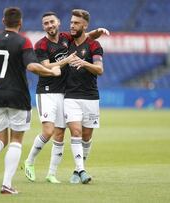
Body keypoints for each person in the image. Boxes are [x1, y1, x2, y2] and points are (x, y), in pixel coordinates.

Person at [0, 7, 61, 194]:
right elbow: (33, 66)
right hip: (18, 96)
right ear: (20, 23)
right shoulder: (23, 41)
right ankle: (6, 185)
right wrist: (51, 71)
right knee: (16, 141)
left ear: (3, 21)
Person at [24, 11, 109, 183]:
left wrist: (95, 32)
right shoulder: (41, 45)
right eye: (46, 23)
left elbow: (83, 38)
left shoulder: (66, 38)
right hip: (47, 91)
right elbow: (46, 66)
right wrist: (67, 60)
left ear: (58, 23)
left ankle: (51, 174)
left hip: (64, 93)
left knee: (60, 134)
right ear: (43, 26)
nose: (50, 25)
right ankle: (29, 161)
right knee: (48, 131)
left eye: (52, 22)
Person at [65, 9, 104, 184]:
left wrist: (84, 63)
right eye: (71, 22)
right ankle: (81, 170)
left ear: (84, 25)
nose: (72, 26)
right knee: (76, 131)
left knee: (87, 136)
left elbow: (100, 70)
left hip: (90, 96)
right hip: (71, 95)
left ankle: (77, 169)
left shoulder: (94, 46)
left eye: (76, 23)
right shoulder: (66, 41)